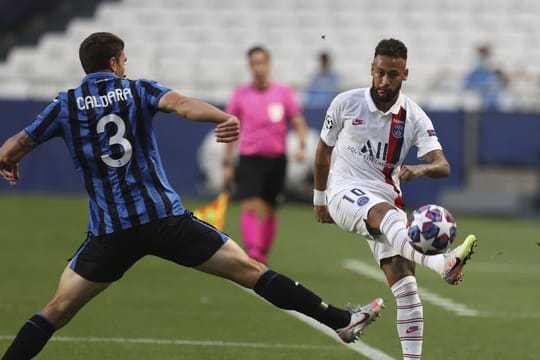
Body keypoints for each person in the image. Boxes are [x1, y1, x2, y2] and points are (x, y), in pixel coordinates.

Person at [0, 32, 383, 359]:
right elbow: (182, 106)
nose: (126, 67)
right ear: (115, 63)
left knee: (57, 309)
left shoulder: (64, 105)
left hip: (110, 232)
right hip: (165, 221)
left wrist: (10, 161)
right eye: (125, 61)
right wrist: (223, 118)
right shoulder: (137, 90)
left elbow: (11, 148)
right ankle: (341, 320)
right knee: (250, 271)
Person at [312, 38, 478, 359]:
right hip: (345, 190)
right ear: (371, 70)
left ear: (405, 74)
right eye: (379, 72)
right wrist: (320, 199)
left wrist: (420, 170)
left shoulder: (413, 117)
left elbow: (442, 165)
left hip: (387, 201)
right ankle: (441, 263)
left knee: (408, 292)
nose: (384, 81)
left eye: (392, 74)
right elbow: (323, 153)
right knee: (386, 216)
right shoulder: (346, 103)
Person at [223, 45, 307, 264]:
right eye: (254, 63)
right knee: (251, 203)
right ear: (250, 66)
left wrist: (301, 145)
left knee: (270, 208)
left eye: (262, 62)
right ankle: (253, 252)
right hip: (250, 158)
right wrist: (227, 162)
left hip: (276, 159)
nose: (258, 68)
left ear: (269, 64)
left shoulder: (283, 92)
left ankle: (263, 254)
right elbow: (230, 129)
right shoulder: (240, 94)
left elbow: (297, 121)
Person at [464, 44, 507, 110]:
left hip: (491, 95)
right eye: (482, 53)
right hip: (479, 93)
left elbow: (501, 81)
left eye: (485, 52)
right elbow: (470, 82)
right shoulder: (475, 65)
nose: (483, 55)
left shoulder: (493, 66)